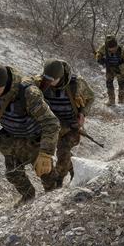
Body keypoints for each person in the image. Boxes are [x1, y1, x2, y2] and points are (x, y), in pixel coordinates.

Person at [0, 63, 60, 205]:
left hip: (35, 139)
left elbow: (51, 123)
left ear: (6, 83)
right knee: (13, 174)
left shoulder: (28, 93)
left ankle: (54, 197)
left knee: (44, 172)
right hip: (12, 138)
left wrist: (46, 153)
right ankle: (28, 197)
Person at [33, 59, 95, 189]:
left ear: (60, 77)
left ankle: (57, 185)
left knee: (63, 153)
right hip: (52, 126)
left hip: (72, 126)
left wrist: (83, 113)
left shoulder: (76, 83)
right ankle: (76, 168)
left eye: (52, 79)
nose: (48, 82)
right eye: (46, 78)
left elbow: (91, 97)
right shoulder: (39, 83)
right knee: (57, 155)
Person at [95, 35, 124, 105]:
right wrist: (99, 58)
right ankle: (111, 100)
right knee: (109, 83)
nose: (112, 50)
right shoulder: (104, 47)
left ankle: (121, 99)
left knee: (121, 83)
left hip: (120, 68)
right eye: (110, 49)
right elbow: (98, 53)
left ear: (116, 45)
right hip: (110, 68)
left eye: (114, 48)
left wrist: (120, 67)